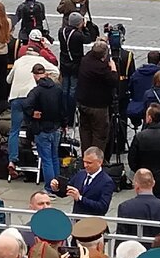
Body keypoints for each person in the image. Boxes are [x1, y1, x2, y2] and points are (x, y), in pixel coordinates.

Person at [21, 62, 63, 192]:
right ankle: (58, 185)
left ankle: (49, 187)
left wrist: (32, 113)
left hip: (42, 128)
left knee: (46, 160)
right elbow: (64, 107)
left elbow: (26, 104)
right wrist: (64, 123)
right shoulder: (57, 88)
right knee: (54, 157)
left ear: (34, 75)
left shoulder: (36, 91)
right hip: (56, 127)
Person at [127, 104, 160, 200]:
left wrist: (139, 171)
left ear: (149, 118)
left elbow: (132, 159)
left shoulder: (140, 137)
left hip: (143, 179)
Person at [75, 40, 119, 161]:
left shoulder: (86, 60)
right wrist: (113, 68)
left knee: (85, 133)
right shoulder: (101, 68)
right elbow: (114, 80)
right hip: (98, 106)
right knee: (99, 135)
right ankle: (96, 161)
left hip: (83, 103)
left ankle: (86, 158)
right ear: (104, 55)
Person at [116, 169, 160, 242]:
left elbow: (120, 238)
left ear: (135, 184)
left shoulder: (125, 207)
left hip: (135, 251)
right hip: (158, 251)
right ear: (153, 183)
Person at [51, 146, 114, 215]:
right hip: (77, 219)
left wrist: (80, 198)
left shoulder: (106, 182)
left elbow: (103, 207)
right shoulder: (81, 174)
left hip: (94, 221)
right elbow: (67, 190)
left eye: (89, 163)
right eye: (84, 162)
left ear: (100, 162)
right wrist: (57, 188)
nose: (85, 165)